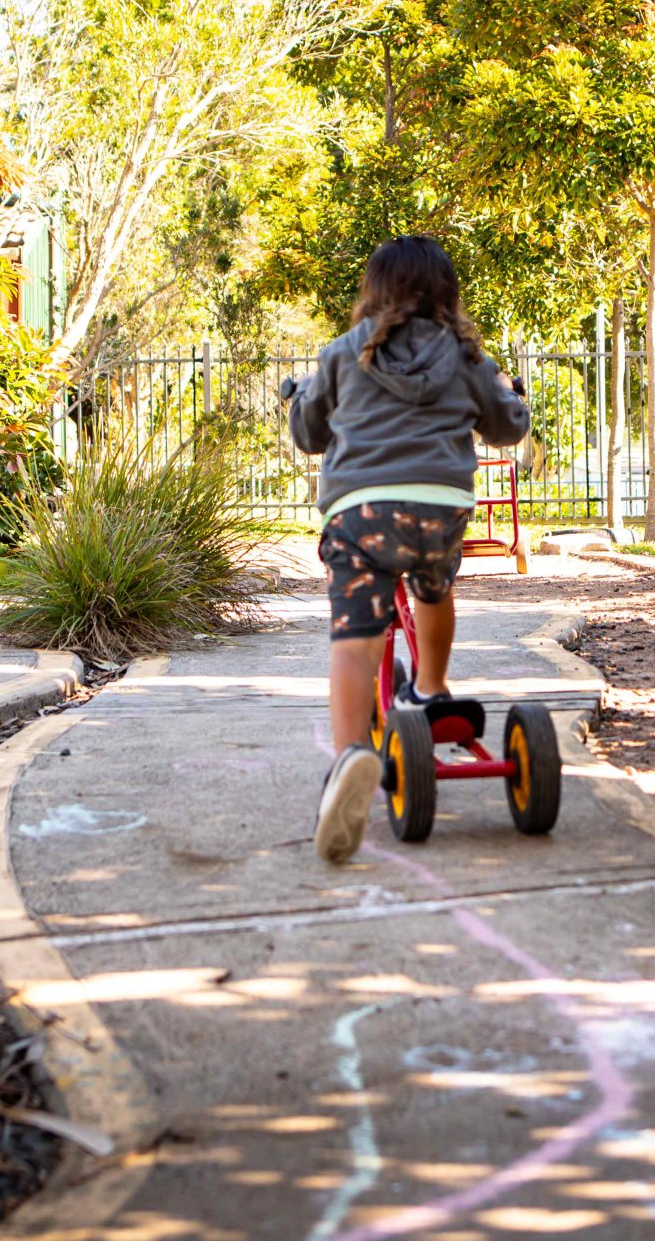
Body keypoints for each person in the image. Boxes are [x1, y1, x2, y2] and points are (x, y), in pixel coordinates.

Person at [283, 236, 530, 862]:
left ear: (375, 291)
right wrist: (511, 395)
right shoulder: (467, 357)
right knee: (434, 587)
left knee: (355, 634)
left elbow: (310, 434)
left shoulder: (344, 353)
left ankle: (349, 758)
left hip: (360, 513)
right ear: (447, 295)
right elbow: (506, 427)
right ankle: (429, 686)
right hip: (438, 510)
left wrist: (296, 401)